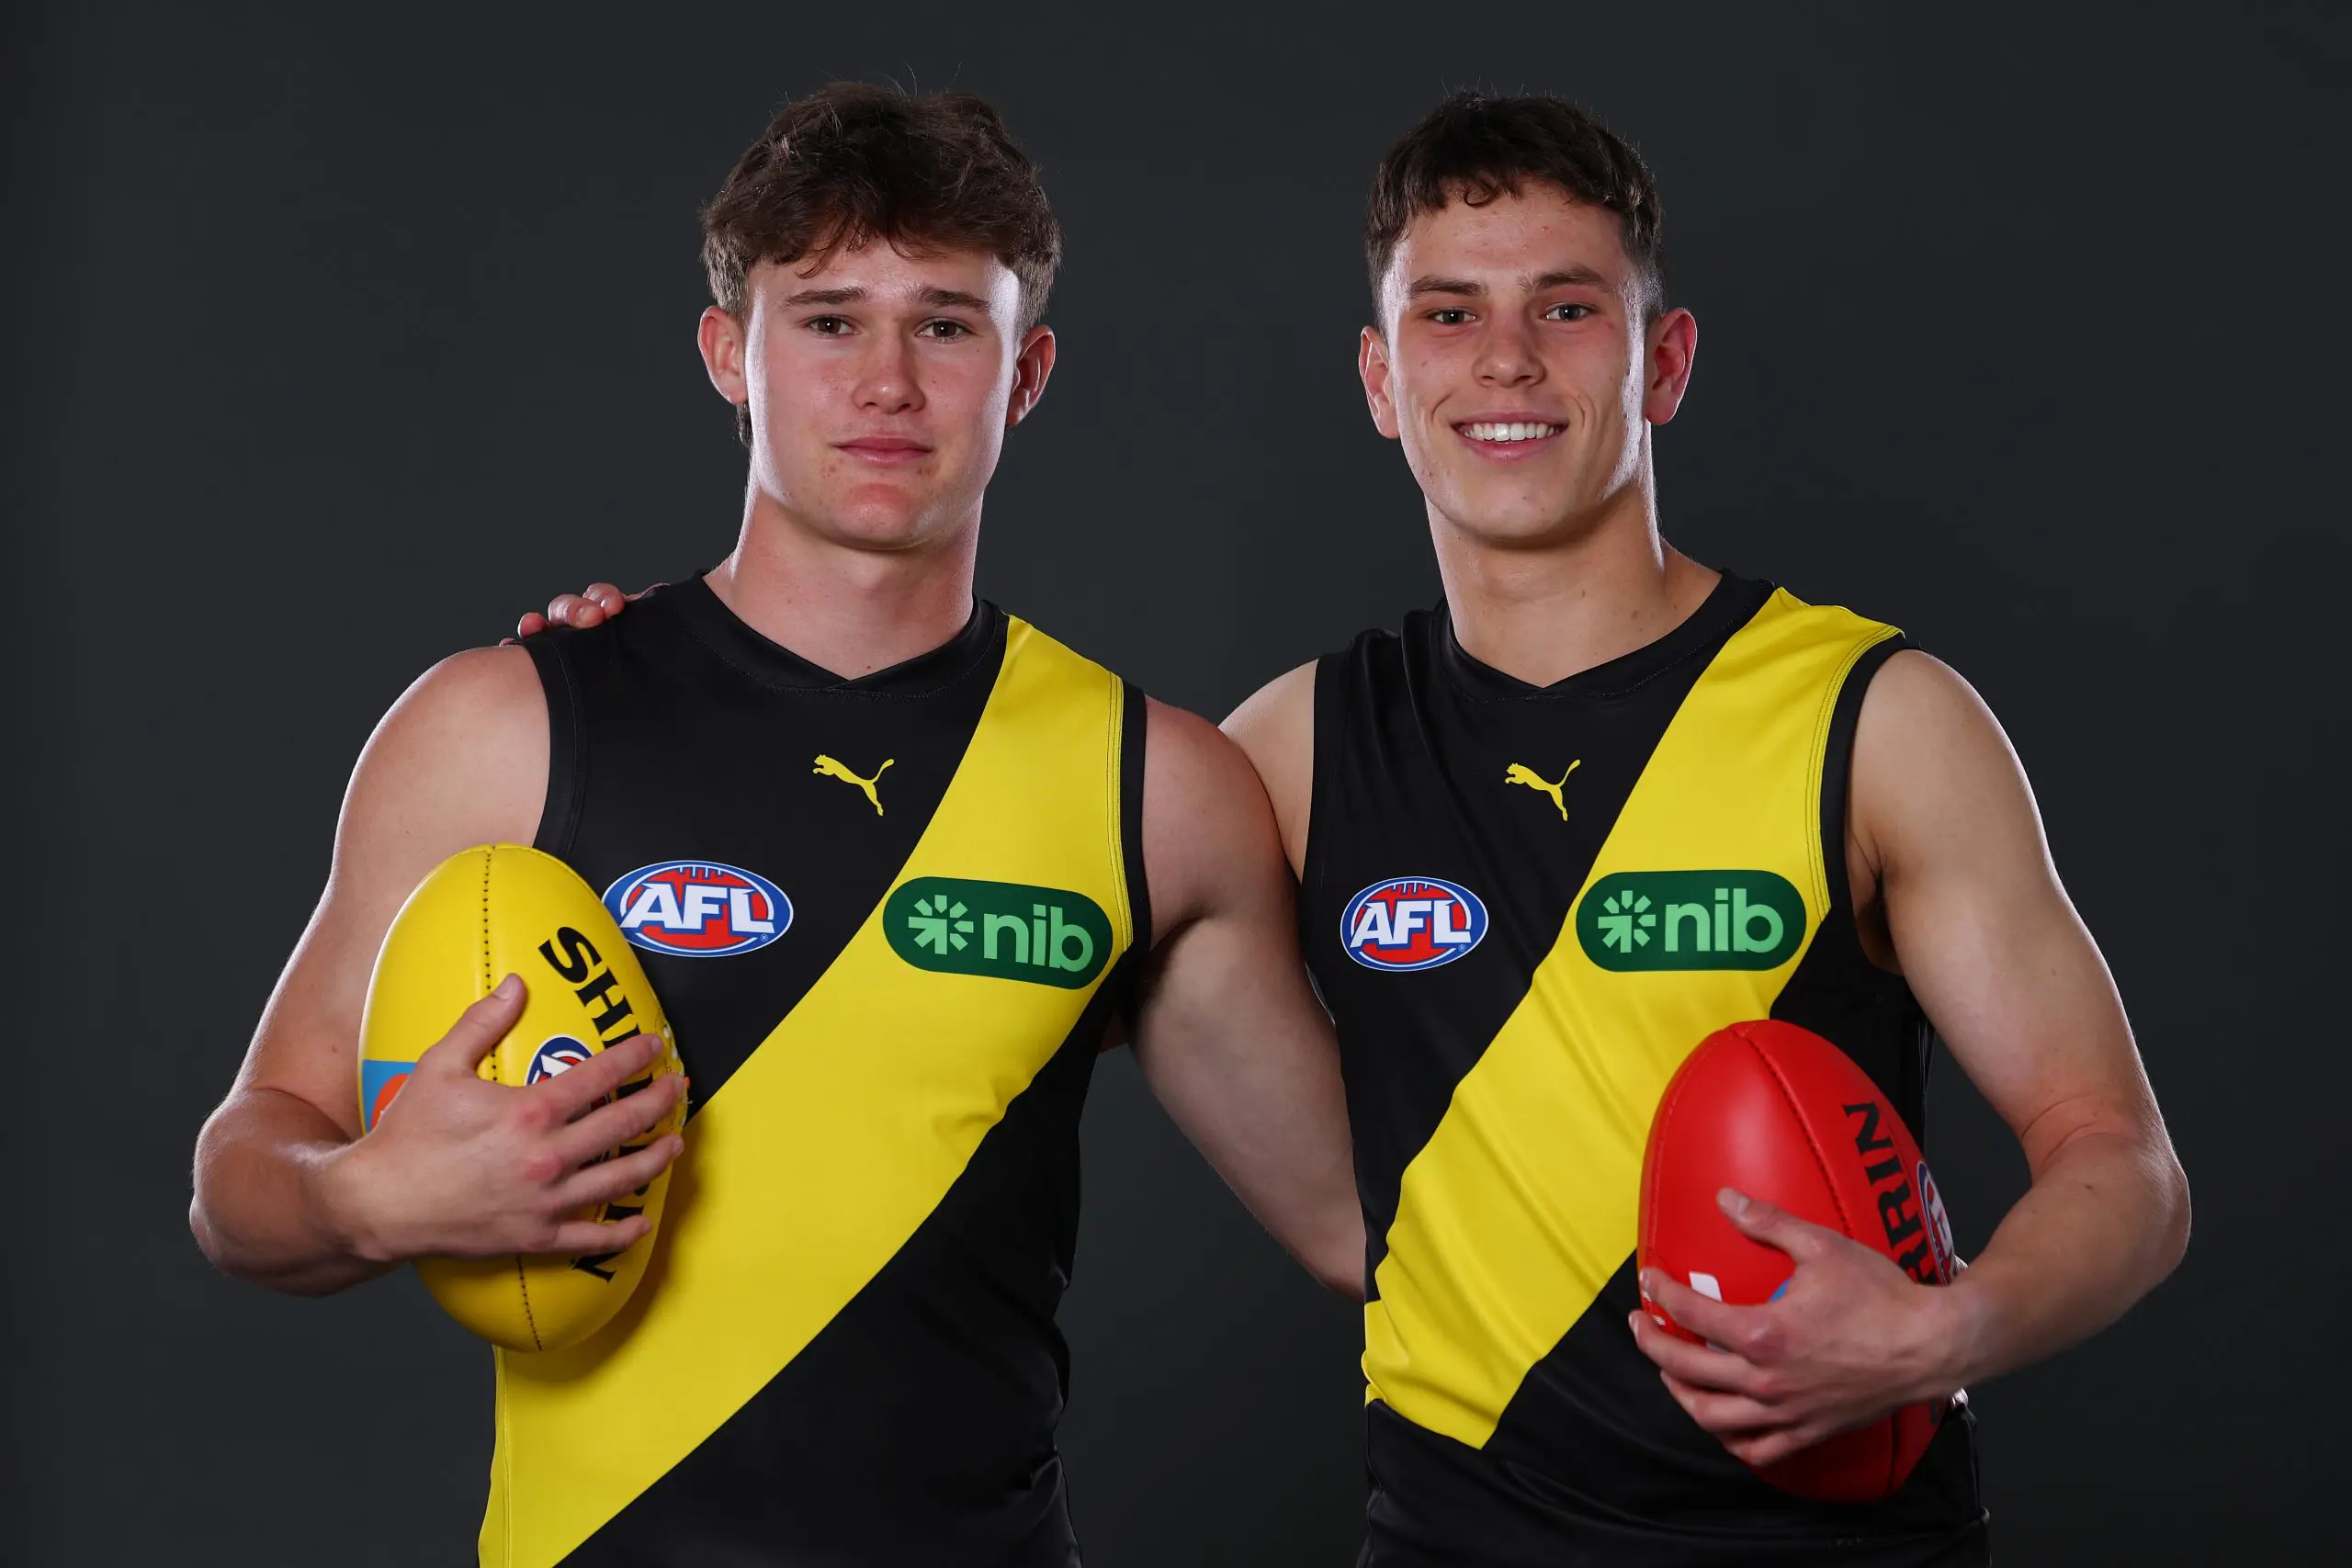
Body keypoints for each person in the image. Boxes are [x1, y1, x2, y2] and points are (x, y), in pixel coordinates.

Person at [533, 91, 2190, 1566]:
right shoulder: (1289, 755)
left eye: (1569, 308)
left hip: (1840, 1529)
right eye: (1449, 315)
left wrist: (1940, 1325)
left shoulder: (1871, 717)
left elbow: (2124, 1167)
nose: (1510, 362)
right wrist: (656, 681)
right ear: (1382, 383)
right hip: (1452, 1529)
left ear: (1662, 362)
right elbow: (974, 823)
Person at [188, 85, 1360, 1568]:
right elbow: (241, 1178)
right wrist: (364, 1194)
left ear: (1029, 371)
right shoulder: (513, 725)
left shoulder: (1156, 788)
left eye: (947, 324)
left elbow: (1365, 1229)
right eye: (826, 320)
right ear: (729, 353)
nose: (887, 383)